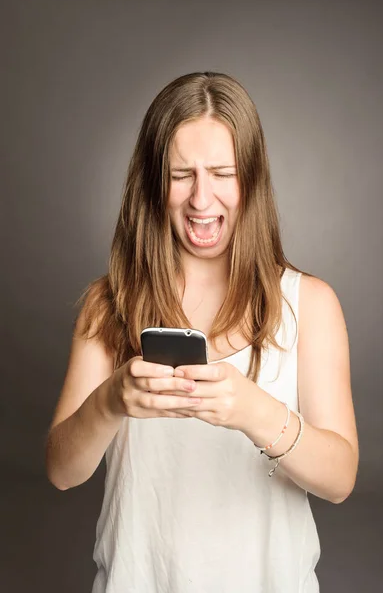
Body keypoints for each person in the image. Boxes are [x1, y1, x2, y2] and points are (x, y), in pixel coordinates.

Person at [45, 71, 359, 593]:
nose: (201, 197)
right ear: (153, 180)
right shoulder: (110, 304)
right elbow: (61, 471)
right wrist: (110, 401)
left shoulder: (311, 304)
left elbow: (340, 478)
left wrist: (253, 412)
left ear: (251, 180)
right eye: (180, 174)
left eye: (222, 172)